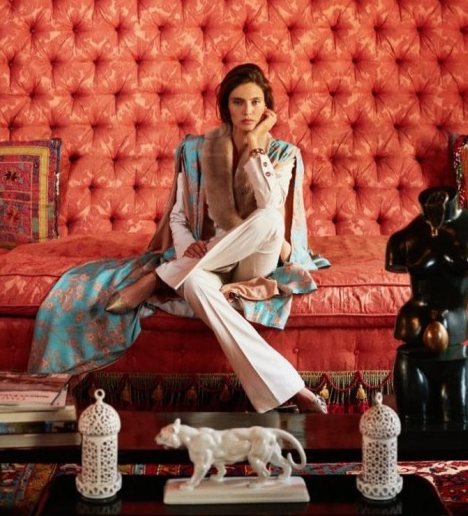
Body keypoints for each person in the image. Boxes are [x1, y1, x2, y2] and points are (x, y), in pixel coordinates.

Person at [29, 63, 330, 414]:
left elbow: (270, 203)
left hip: (255, 259)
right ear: (225, 106)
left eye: (255, 102)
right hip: (205, 264)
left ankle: (161, 277)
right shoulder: (197, 150)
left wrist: (254, 144)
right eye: (238, 102)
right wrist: (188, 249)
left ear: (267, 108)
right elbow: (178, 216)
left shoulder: (283, 154)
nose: (247, 111)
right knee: (197, 285)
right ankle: (293, 389)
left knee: (269, 220)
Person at [386, 185, 468, 425]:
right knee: (413, 425)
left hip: (454, 329)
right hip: (413, 327)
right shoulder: (403, 238)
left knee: (461, 424)